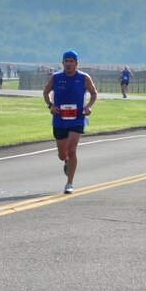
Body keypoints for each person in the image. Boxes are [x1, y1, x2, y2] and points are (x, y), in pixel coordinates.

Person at [42, 50, 98, 194]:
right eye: (66, 61)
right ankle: (66, 161)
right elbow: (45, 92)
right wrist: (50, 106)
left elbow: (94, 93)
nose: (68, 64)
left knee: (72, 149)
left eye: (71, 61)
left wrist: (88, 107)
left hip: (77, 118)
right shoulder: (55, 78)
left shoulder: (84, 78)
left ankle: (69, 183)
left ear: (76, 64)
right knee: (62, 154)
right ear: (62, 63)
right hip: (59, 119)